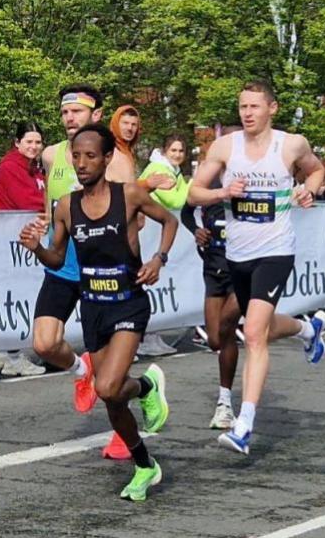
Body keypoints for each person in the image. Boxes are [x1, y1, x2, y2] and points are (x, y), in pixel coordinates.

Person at [19, 123, 179, 501]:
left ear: (107, 159)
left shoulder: (131, 195)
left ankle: (145, 388)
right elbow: (58, 257)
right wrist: (37, 248)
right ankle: (145, 462)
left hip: (128, 303)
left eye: (91, 156)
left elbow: (169, 222)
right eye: (76, 156)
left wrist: (159, 259)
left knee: (106, 385)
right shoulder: (66, 206)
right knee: (111, 396)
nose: (82, 163)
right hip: (93, 307)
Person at [188, 80, 325, 456]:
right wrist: (222, 193)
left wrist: (308, 190)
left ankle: (244, 424)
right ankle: (307, 328)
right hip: (238, 255)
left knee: (252, 333)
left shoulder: (291, 144)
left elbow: (318, 171)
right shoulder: (224, 146)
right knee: (259, 326)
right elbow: (193, 192)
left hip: (276, 251)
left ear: (272, 109)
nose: (247, 113)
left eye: (254, 106)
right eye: (242, 107)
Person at [34, 84, 104, 414]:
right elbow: (51, 204)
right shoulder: (50, 154)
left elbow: (134, 217)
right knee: (45, 343)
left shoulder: (112, 158)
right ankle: (80, 370)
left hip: (99, 268)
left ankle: (129, 422)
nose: (69, 117)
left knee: (110, 369)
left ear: (97, 115)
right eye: (64, 112)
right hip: (62, 263)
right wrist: (44, 224)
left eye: (76, 111)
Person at [175, 128, 243, 430]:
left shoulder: (252, 176)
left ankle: (225, 402)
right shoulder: (209, 179)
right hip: (214, 267)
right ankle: (301, 329)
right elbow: (186, 212)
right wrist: (196, 232)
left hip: (244, 268)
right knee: (215, 338)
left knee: (227, 328)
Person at [0, 120, 47, 376]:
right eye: (29, 142)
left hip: (28, 237)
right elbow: (28, 200)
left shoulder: (35, 168)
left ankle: (4, 349)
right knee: (18, 292)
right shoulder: (11, 166)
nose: (34, 147)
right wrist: (56, 205)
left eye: (37, 142)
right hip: (14, 237)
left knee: (23, 290)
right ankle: (12, 354)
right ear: (17, 143)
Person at [136, 134, 192, 357]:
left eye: (181, 151)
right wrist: (194, 183)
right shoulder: (158, 170)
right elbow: (175, 201)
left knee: (157, 284)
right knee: (146, 282)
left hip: (158, 233)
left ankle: (152, 334)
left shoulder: (173, 170)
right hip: (147, 233)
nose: (177, 155)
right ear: (165, 151)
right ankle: (143, 337)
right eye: (173, 151)